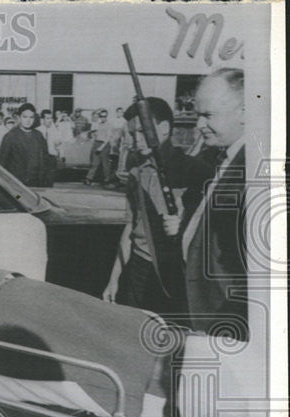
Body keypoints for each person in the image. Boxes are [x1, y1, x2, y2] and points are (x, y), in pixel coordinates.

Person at [102, 97, 213, 315]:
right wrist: (113, 279)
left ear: (163, 129)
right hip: (138, 267)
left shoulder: (194, 170)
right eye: (132, 135)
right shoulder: (136, 171)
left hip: (173, 271)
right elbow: (131, 227)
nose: (136, 140)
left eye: (142, 133)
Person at [178, 67, 248, 339]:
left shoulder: (255, 171)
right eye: (197, 115)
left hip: (227, 325)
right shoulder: (223, 157)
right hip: (207, 318)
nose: (198, 125)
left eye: (207, 115)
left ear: (245, 112)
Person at [0, 103, 51, 187]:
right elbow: (1, 162)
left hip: (37, 184)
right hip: (17, 185)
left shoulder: (39, 136)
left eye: (31, 117)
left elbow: (46, 160)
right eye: (25, 117)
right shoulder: (10, 136)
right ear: (19, 118)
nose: (28, 120)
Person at [84, 109, 113, 185]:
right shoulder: (98, 124)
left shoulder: (109, 125)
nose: (102, 118)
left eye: (104, 116)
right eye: (101, 116)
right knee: (94, 163)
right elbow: (94, 133)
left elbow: (108, 138)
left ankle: (107, 179)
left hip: (104, 144)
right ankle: (89, 178)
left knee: (105, 163)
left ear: (106, 116)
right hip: (97, 143)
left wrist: (101, 147)